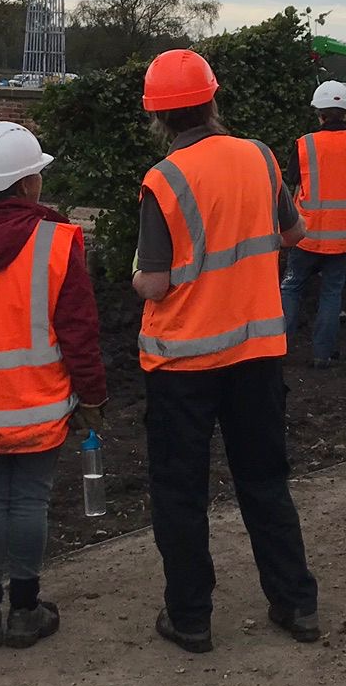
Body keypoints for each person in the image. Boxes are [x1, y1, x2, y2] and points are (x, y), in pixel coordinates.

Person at [132, 48, 320, 653]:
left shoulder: (163, 179)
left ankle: (189, 618)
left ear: (158, 117)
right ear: (214, 101)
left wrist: (138, 273)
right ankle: (296, 604)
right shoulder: (260, 157)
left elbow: (155, 283)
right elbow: (296, 234)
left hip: (182, 362)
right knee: (265, 482)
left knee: (180, 493)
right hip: (257, 354)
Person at [0, 122, 108, 651]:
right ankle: (26, 609)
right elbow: (79, 329)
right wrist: (93, 396)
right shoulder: (56, 244)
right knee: (30, 500)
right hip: (40, 402)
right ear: (28, 183)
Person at [280, 80, 346, 368]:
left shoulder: (304, 144)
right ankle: (323, 354)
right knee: (332, 292)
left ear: (318, 112)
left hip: (306, 235)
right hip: (345, 238)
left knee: (292, 286)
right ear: (345, 111)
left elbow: (292, 182)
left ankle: (277, 350)